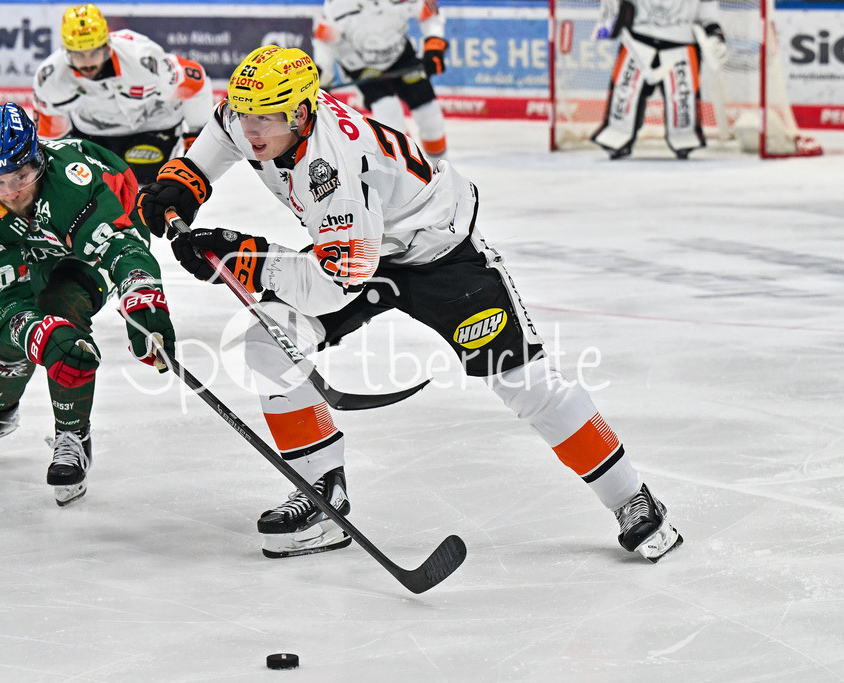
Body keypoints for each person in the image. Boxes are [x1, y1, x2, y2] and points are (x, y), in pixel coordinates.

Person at [135, 45, 683, 562]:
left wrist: (243, 257)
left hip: (441, 256)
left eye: (267, 119)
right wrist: (183, 185)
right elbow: (221, 135)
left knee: (524, 381)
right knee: (268, 344)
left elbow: (335, 283)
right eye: (244, 113)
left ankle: (633, 498)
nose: (251, 129)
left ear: (302, 114)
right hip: (360, 244)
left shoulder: (334, 173)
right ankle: (323, 496)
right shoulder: (256, 116)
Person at [0, 102, 175, 507]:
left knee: (61, 315)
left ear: (38, 161)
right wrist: (34, 335)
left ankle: (73, 435)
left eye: (22, 175)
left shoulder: (72, 183)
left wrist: (141, 297)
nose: (12, 191)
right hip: (37, 247)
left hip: (94, 242)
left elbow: (120, 247)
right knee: (17, 332)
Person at [32, 4, 213, 185]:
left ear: (107, 46)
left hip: (154, 127)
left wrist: (196, 137)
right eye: (78, 55)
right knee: (94, 196)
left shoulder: (141, 59)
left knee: (153, 197)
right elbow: (50, 139)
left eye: (94, 52)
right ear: (66, 51)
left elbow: (195, 80)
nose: (87, 63)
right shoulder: (50, 79)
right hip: (94, 133)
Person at [311, 0, 450, 163]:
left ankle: (441, 169)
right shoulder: (338, 4)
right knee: (389, 114)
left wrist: (434, 45)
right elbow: (325, 42)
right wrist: (322, 72)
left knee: (429, 113)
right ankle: (416, 172)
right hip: (359, 64)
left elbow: (429, 14)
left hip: (400, 55)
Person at [591, 0, 726, 159]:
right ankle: (618, 133)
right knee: (623, 102)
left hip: (681, 45)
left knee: (683, 121)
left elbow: (707, 12)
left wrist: (713, 32)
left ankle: (683, 136)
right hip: (637, 40)